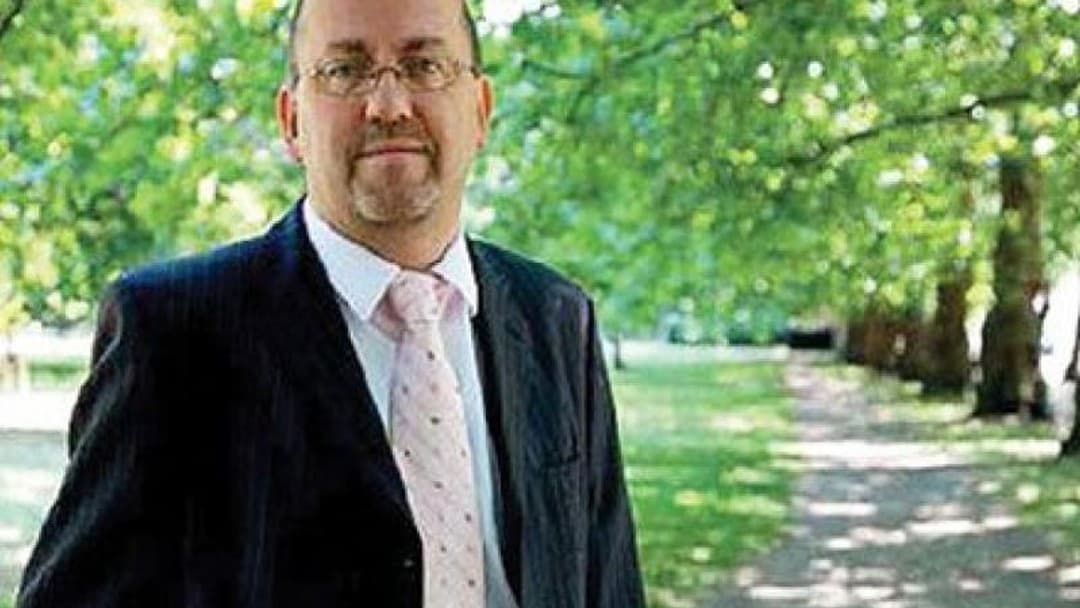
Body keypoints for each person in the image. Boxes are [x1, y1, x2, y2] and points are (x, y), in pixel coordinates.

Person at [16, 0, 644, 606]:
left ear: (480, 110)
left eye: (425, 65)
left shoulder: (555, 318)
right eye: (345, 70)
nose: (389, 106)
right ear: (291, 120)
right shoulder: (173, 332)